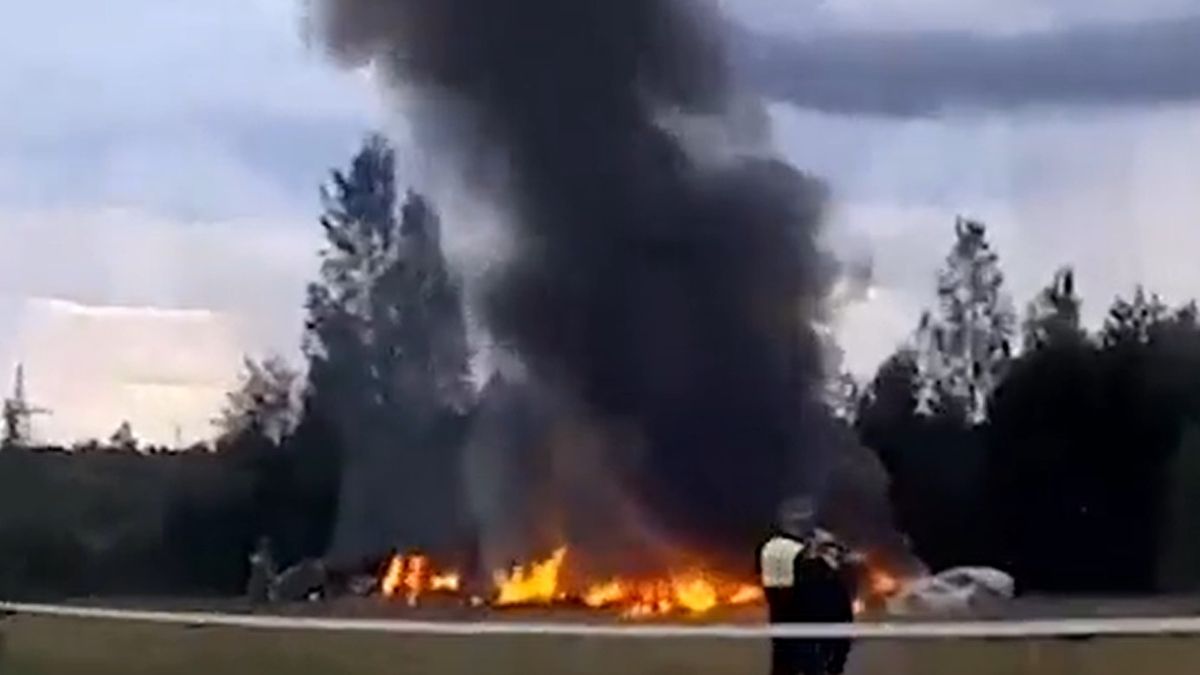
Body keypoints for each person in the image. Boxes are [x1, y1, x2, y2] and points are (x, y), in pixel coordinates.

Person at [759, 497, 859, 675]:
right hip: (801, 629)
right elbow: (781, 595)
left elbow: (842, 578)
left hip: (824, 629)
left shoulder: (821, 547)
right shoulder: (779, 549)